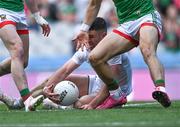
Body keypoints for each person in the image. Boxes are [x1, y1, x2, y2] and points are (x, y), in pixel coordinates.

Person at [0, 17, 132, 110]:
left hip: (116, 91)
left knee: (79, 104)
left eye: (92, 37)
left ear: (103, 36)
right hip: (98, 82)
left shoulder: (114, 49)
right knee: (50, 81)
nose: (88, 40)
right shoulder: (86, 47)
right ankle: (21, 102)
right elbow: (65, 70)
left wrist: (92, 104)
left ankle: (61, 106)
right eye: (87, 36)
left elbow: (111, 85)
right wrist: (48, 88)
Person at [74, 0, 171, 109]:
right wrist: (83, 30)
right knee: (95, 57)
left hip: (146, 15)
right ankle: (116, 95)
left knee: (147, 50)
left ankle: (160, 88)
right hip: (126, 25)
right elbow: (94, 5)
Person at [0, 0, 50, 111]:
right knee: (17, 49)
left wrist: (38, 17)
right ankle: (28, 99)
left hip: (20, 13)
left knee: (23, 61)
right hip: (2, 11)